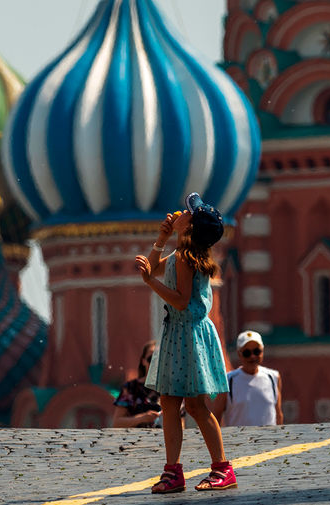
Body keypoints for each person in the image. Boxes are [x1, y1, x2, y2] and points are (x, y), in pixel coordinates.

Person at [135, 192, 235, 493]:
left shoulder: (184, 258)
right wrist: (162, 238)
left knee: (193, 404)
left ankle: (221, 468)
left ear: (189, 227)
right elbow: (152, 268)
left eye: (187, 214)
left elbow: (179, 301)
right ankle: (173, 470)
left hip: (186, 333)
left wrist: (150, 284)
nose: (181, 212)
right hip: (181, 333)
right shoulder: (183, 254)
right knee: (170, 402)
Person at [211, 331, 283, 427]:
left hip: (269, 440)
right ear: (239, 354)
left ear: (262, 351)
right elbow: (216, 417)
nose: (252, 356)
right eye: (247, 353)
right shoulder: (228, 381)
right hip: (239, 441)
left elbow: (278, 414)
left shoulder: (273, 377)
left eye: (256, 351)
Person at [112, 341, 162, 428]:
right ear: (143, 361)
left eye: (159, 359)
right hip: (136, 439)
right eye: (151, 359)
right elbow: (117, 423)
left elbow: (181, 423)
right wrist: (142, 418)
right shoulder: (131, 388)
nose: (155, 363)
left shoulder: (171, 389)